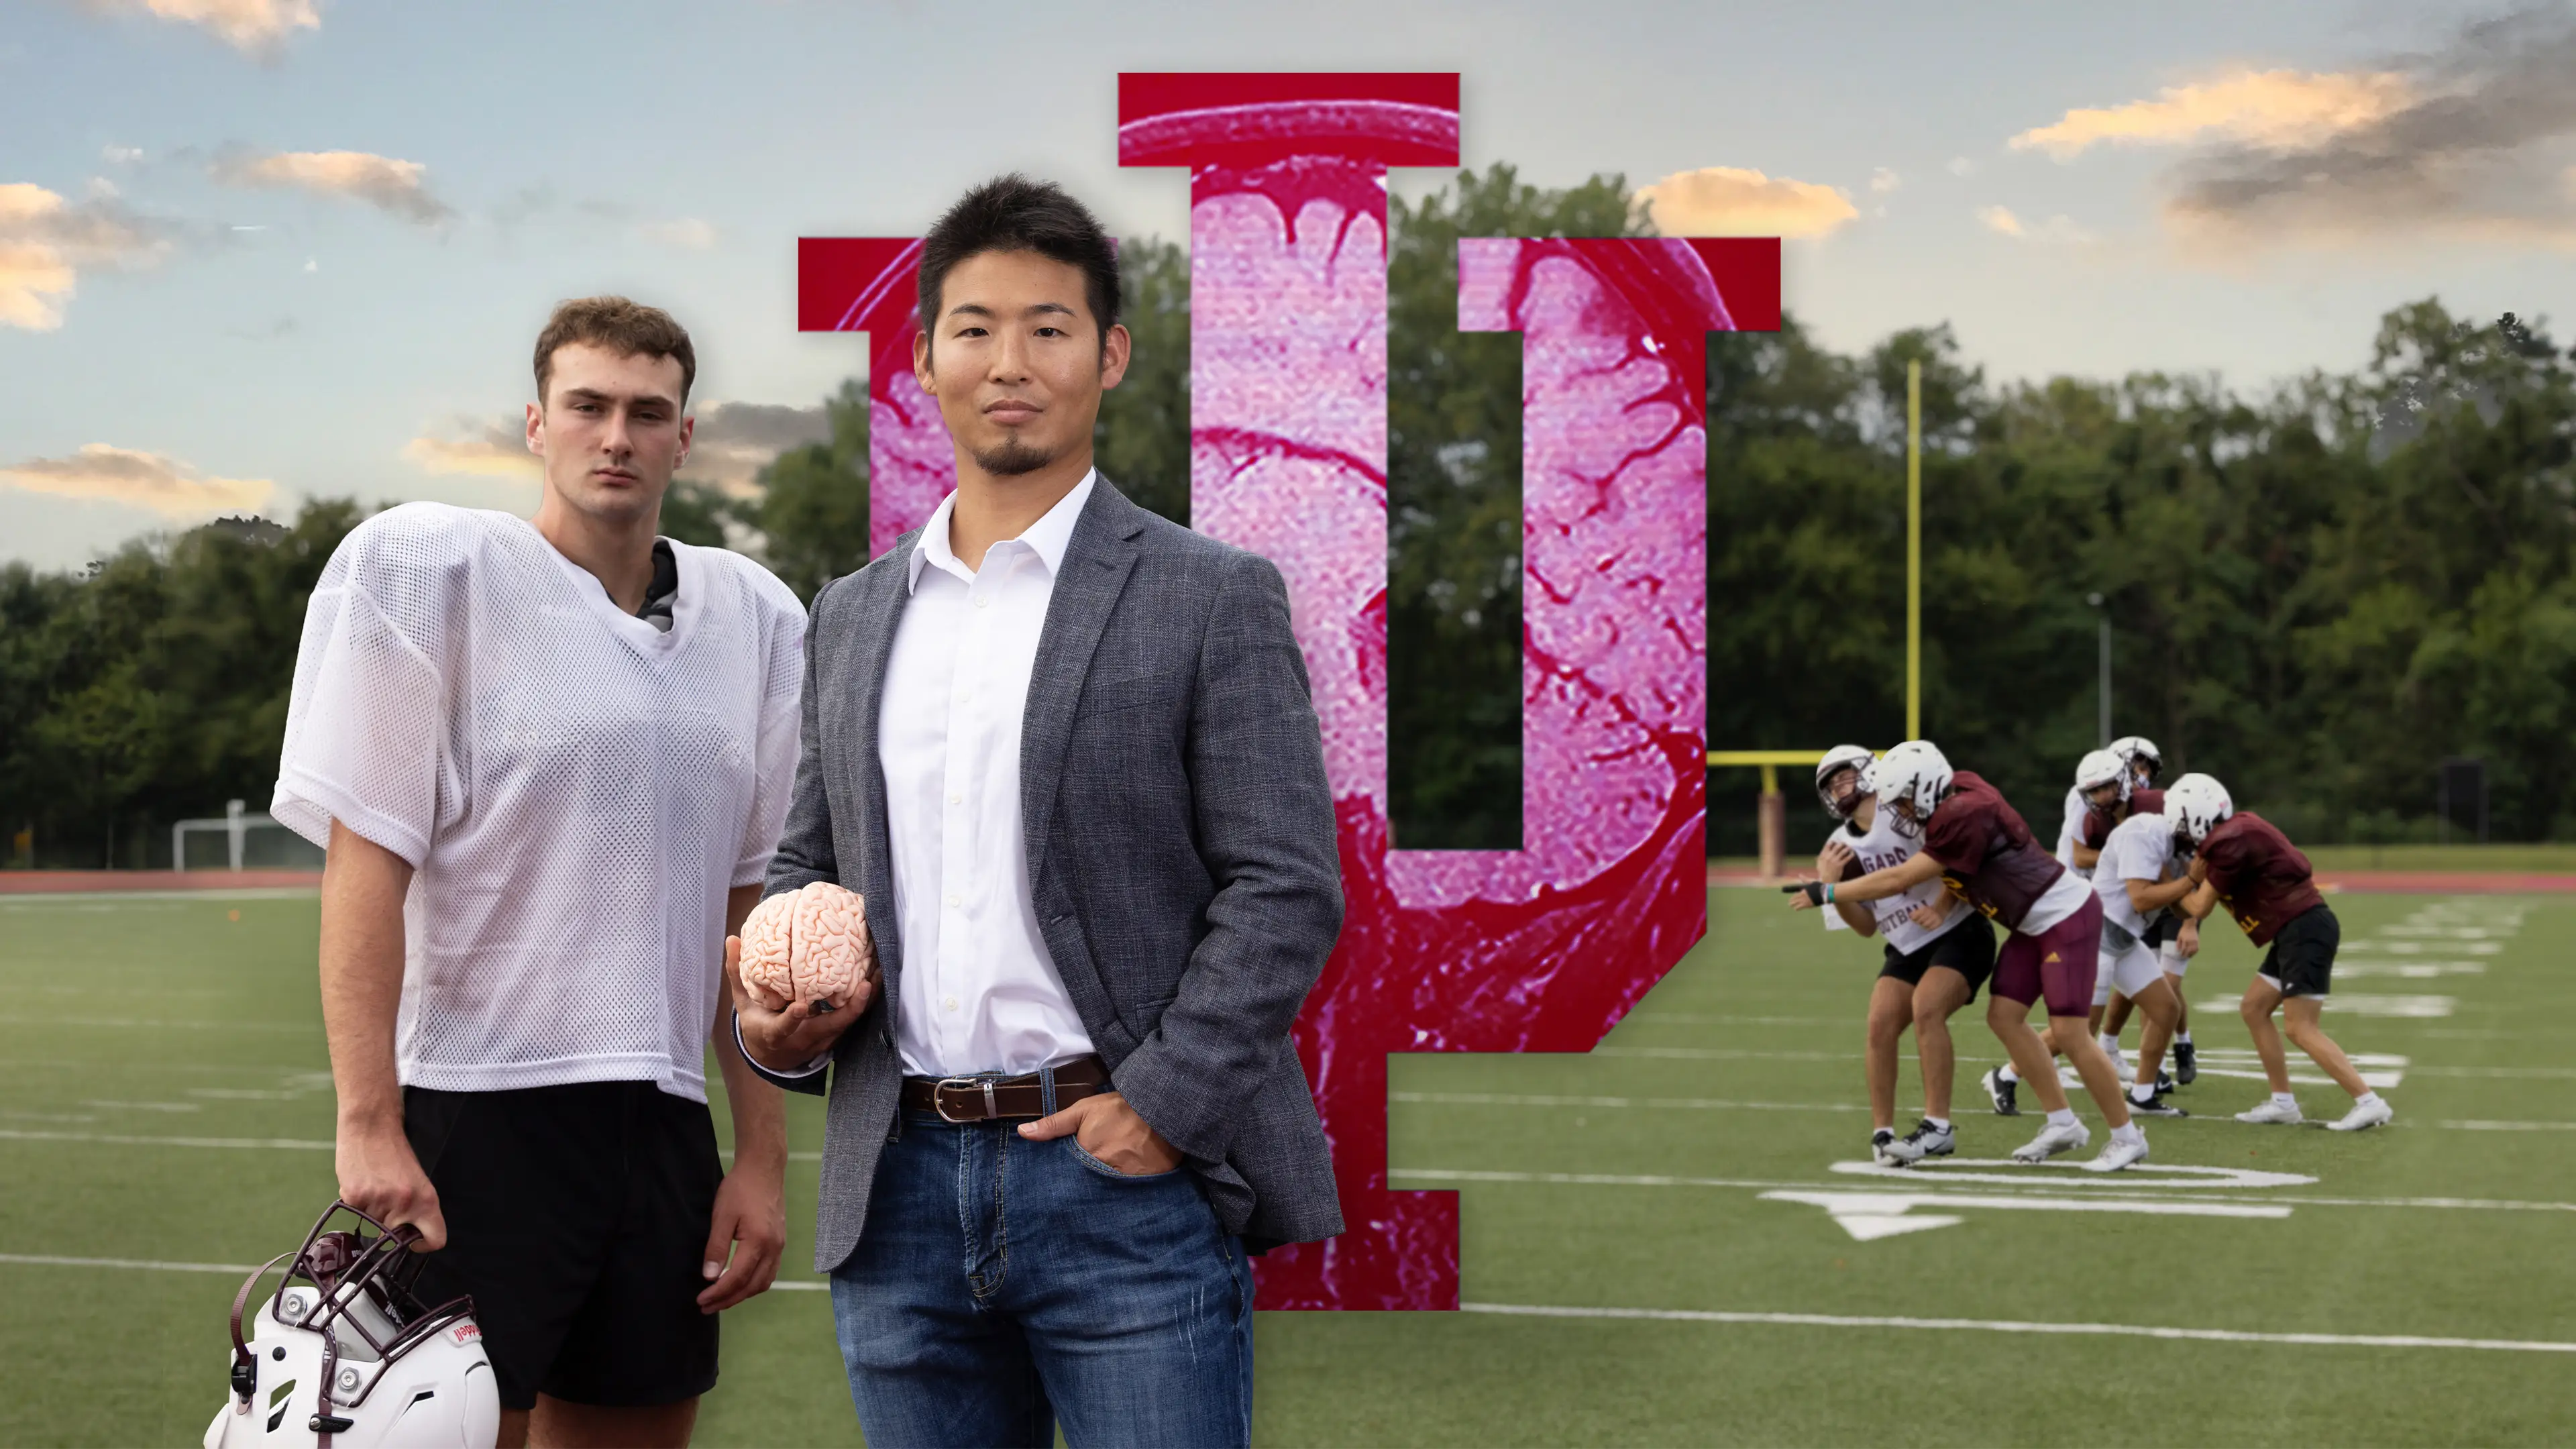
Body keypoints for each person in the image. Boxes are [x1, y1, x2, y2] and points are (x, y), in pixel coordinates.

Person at [730, 175, 1345, 1449]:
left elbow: (1286, 885)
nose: (1011, 362)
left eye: (1050, 327)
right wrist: (774, 1025)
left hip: (1117, 1183)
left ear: (1109, 355)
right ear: (923, 360)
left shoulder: (1210, 594)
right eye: (975, 327)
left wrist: (1161, 1106)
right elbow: (808, 861)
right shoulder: (848, 612)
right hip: (893, 1184)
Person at [274, 297, 807, 1448]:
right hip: (479, 1110)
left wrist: (761, 1155)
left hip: (663, 1120)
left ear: (685, 436)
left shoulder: (754, 619)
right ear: (536, 424)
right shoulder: (437, 572)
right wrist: (368, 1118)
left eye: (646, 412)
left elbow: (745, 913)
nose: (616, 435)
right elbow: (366, 863)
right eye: (589, 407)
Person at [1823, 741, 2149, 1171]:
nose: (1899, 810)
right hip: (2030, 925)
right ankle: (2062, 1122)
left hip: (2065, 916)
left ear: (1922, 788)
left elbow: (1904, 876)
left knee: (2070, 1032)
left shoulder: (1959, 813)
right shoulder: (1954, 796)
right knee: (2003, 1017)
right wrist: (1937, 908)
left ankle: (2127, 1136)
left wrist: (1825, 891)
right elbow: (1958, 875)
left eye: (1903, 798)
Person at [1792, 745, 1996, 1167]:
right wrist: (1831, 887)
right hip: (1905, 943)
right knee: (1879, 1026)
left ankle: (1937, 1126)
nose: (1838, 788)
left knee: (1927, 1008)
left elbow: (1957, 861)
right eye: (1830, 785)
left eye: (1842, 777)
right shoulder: (1838, 847)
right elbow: (1865, 927)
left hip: (1958, 929)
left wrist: (1939, 906)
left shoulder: (1903, 809)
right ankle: (1881, 1132)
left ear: (1868, 771)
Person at [2165, 773, 2394, 1131]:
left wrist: (2172, 882)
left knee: (2300, 1028)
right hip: (2297, 927)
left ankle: (2369, 1101)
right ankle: (2283, 1102)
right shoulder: (2238, 829)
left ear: (2196, 818)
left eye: (2181, 826)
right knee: (2254, 1008)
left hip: (2304, 928)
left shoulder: (2229, 844)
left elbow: (2197, 906)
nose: (2181, 835)